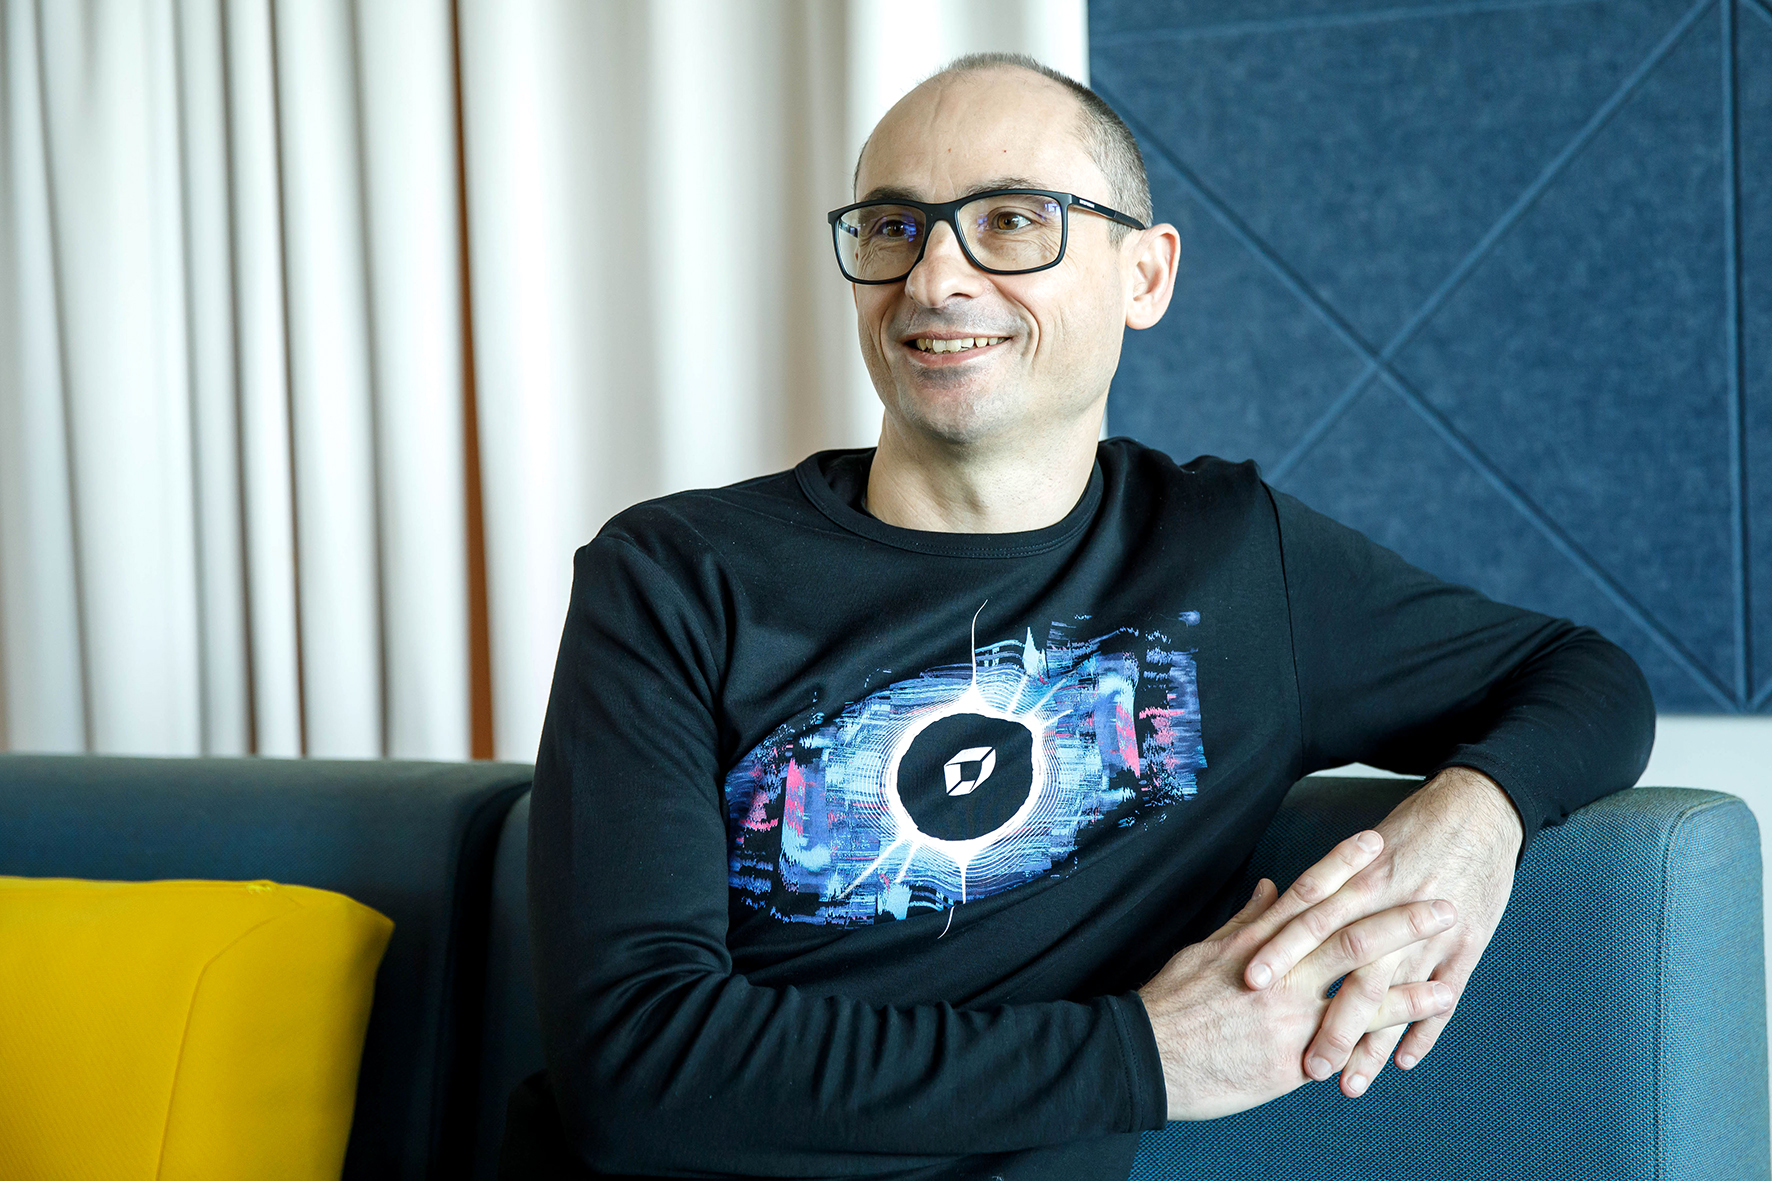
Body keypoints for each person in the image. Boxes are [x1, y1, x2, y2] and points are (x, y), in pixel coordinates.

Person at [502, 53, 1654, 1181]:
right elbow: (631, 1068)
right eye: (894, 226)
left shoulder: (1231, 560)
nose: (934, 279)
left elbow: (1584, 675)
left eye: (1010, 221)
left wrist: (1476, 820)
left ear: (1144, 275)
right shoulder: (672, 574)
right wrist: (1141, 1056)